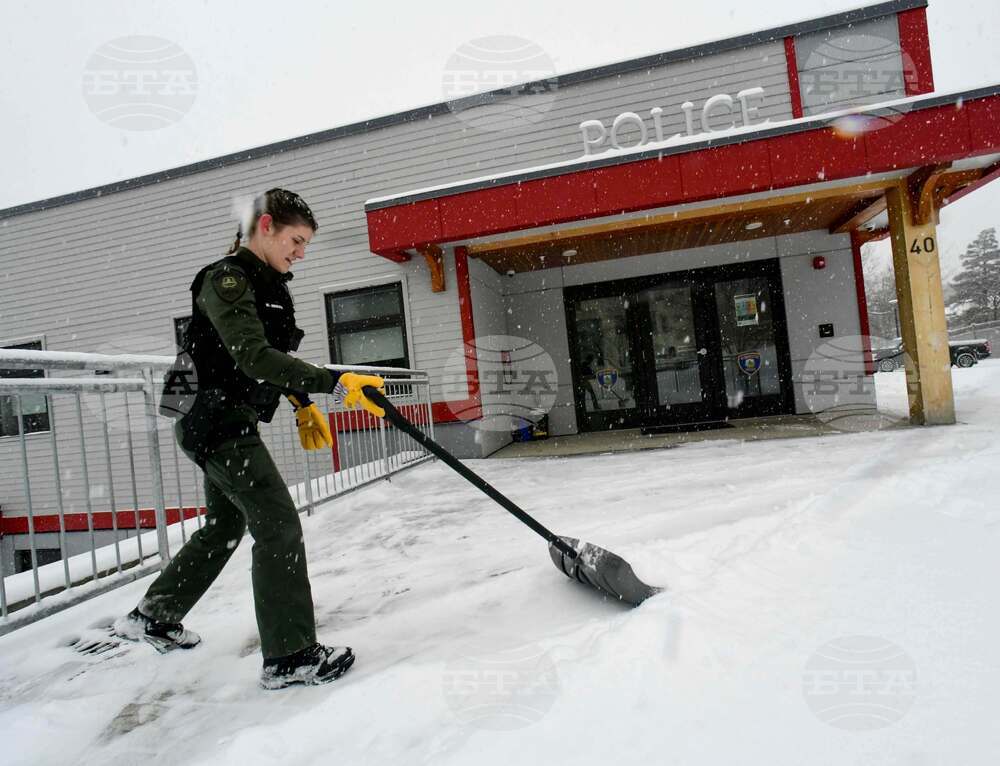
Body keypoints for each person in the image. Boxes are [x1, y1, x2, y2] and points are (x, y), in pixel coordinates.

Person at [112, 188, 385, 690]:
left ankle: (154, 616)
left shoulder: (269, 282)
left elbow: (268, 358)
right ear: (265, 227)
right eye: (296, 241)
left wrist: (302, 403)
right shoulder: (228, 279)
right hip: (212, 422)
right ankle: (290, 657)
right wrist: (335, 382)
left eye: (306, 245)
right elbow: (252, 358)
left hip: (218, 418)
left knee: (224, 526)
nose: (301, 253)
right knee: (278, 527)